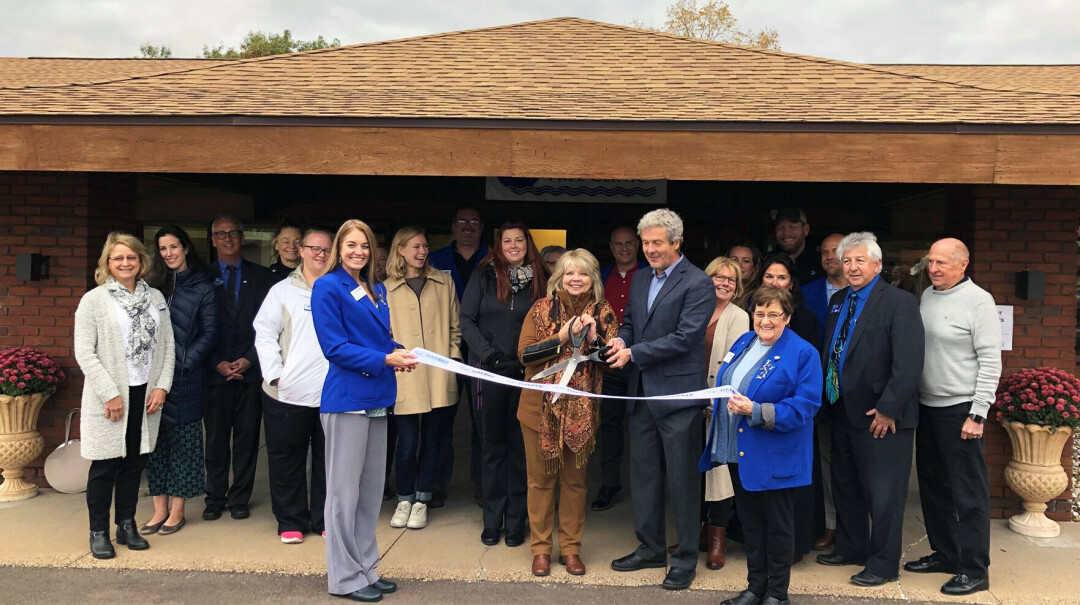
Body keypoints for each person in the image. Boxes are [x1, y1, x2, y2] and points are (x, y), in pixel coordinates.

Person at [606, 209, 714, 591]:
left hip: (678, 398)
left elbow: (686, 338)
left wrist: (634, 354)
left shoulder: (698, 283)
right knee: (645, 478)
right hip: (641, 395)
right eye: (645, 243)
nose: (649, 250)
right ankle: (650, 548)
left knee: (683, 483)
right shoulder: (639, 279)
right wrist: (622, 338)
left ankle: (684, 559)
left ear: (675, 243)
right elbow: (634, 324)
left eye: (656, 243)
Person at [312, 219, 418, 603]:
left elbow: (379, 340)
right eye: (351, 245)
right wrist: (385, 358)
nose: (358, 252)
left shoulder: (374, 289)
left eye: (365, 246)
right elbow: (334, 347)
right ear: (339, 248)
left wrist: (400, 351)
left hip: (377, 398)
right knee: (342, 495)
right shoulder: (328, 286)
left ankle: (365, 569)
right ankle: (344, 578)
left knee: (370, 493)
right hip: (347, 400)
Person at [815, 232, 924, 588]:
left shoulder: (899, 302)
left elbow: (908, 363)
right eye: (847, 261)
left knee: (884, 494)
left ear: (877, 264)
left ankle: (883, 563)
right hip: (842, 410)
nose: (852, 267)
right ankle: (851, 547)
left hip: (882, 417)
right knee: (846, 486)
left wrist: (889, 409)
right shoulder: (840, 301)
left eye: (860, 260)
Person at [702, 286, 822, 605]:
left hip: (777, 455)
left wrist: (755, 411)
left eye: (773, 314)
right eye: (759, 312)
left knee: (778, 527)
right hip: (740, 451)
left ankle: (777, 594)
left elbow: (805, 405)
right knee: (752, 525)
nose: (765, 320)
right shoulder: (744, 341)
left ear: (787, 317)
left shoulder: (803, 353)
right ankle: (756, 588)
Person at [905, 238, 999, 596]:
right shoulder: (928, 296)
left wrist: (978, 413)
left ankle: (975, 569)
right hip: (927, 406)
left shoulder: (979, 301)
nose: (934, 269)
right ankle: (945, 554)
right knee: (933, 485)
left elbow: (991, 361)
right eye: (931, 262)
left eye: (943, 263)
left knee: (968, 493)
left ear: (963, 264)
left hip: (961, 409)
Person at [517, 249, 619, 577]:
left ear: (593, 279)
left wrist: (593, 338)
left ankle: (571, 549)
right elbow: (525, 356)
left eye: (583, 273)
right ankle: (541, 550)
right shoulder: (540, 308)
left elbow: (612, 359)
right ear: (558, 278)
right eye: (569, 273)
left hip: (582, 414)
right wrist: (561, 337)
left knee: (575, 484)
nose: (575, 279)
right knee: (540, 482)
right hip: (538, 411)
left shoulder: (604, 312)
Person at [74, 232, 175, 559]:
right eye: (118, 258)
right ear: (108, 263)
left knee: (134, 464)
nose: (125, 263)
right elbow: (84, 352)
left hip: (145, 395)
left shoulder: (156, 297)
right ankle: (98, 531)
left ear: (141, 261)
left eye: (131, 257)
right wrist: (109, 394)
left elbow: (168, 346)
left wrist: (162, 385)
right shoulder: (94, 300)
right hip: (111, 398)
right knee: (105, 467)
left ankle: (126, 523)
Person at [460, 220, 547, 547]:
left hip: (527, 375)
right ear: (498, 245)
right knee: (492, 448)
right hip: (488, 373)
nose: (513, 246)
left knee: (520, 450)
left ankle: (516, 521)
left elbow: (549, 325)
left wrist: (529, 360)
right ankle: (492, 520)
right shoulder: (482, 276)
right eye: (506, 240)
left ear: (528, 243)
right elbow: (466, 320)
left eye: (519, 240)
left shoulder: (541, 280)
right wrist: (490, 356)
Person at [253, 228, 334, 544]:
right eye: (314, 248)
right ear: (301, 251)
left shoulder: (341, 288)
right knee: (287, 458)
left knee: (329, 460)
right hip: (286, 393)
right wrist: (275, 375)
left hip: (331, 391)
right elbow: (264, 333)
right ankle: (290, 520)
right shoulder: (282, 291)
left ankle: (325, 518)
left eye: (327, 250)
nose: (321, 255)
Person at [384, 226, 462, 531]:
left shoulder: (444, 281)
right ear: (400, 249)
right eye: (415, 246)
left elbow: (455, 327)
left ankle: (422, 499)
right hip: (405, 374)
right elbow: (382, 334)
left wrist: (452, 359)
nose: (422, 252)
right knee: (406, 442)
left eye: (425, 246)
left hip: (439, 374)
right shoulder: (384, 288)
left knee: (433, 441)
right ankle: (404, 497)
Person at [143, 225, 218, 537]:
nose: (169, 253)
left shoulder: (204, 286)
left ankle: (177, 510)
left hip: (186, 380)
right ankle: (158, 509)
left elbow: (210, 333)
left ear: (186, 248)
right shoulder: (151, 288)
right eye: (163, 249)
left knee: (184, 446)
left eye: (174, 247)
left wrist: (182, 364)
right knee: (155, 446)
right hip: (150, 379)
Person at [203, 215, 273, 522]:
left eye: (233, 233)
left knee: (246, 441)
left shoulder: (262, 277)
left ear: (242, 238)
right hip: (214, 373)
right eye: (221, 234)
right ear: (213, 240)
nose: (228, 239)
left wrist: (250, 357)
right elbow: (195, 328)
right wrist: (216, 362)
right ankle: (215, 497)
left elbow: (269, 327)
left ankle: (240, 498)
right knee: (216, 441)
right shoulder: (201, 276)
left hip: (250, 370)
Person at [429, 206, 489, 507]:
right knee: (442, 418)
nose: (468, 226)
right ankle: (436, 483)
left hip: (483, 350)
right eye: (462, 221)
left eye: (474, 222)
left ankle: (482, 483)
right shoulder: (435, 260)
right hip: (445, 348)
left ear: (482, 227)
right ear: (453, 226)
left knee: (482, 421)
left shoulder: (494, 258)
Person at [700, 256, 750, 570]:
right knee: (693, 469)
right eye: (718, 277)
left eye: (731, 279)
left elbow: (733, 366)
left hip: (719, 404)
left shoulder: (739, 316)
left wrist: (712, 402)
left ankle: (717, 540)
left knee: (719, 472)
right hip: (688, 402)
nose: (725, 283)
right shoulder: (693, 309)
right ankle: (697, 534)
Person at [592, 226, 646, 511]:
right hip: (609, 363)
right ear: (611, 247)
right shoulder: (600, 276)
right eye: (619, 244)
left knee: (643, 427)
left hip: (642, 362)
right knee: (610, 426)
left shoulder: (650, 274)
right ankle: (610, 483)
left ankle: (645, 487)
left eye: (629, 243)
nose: (624, 248)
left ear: (637, 245)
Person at [800, 232, 847, 552]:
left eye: (837, 251)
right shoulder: (806, 294)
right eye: (825, 252)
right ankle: (831, 525)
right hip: (821, 393)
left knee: (857, 465)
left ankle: (857, 527)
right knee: (827, 462)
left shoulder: (868, 294)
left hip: (859, 396)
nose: (830, 256)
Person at [757, 253, 822, 352]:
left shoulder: (805, 319)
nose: (774, 283)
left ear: (791, 283)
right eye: (769, 277)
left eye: (782, 278)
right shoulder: (752, 313)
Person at [773, 208, 820, 285]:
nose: (786, 233)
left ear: (805, 230)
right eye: (780, 227)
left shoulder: (820, 263)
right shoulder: (766, 261)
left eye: (792, 227)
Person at [728, 241, 762, 308]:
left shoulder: (757, 297)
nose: (739, 265)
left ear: (754, 267)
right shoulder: (719, 291)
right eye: (734, 260)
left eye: (746, 261)